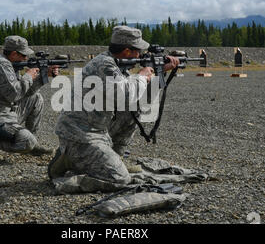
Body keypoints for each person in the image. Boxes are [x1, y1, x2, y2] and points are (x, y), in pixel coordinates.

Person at [48, 26, 180, 193]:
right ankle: (67, 166)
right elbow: (124, 95)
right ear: (126, 51)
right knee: (120, 179)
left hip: (97, 130)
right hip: (79, 135)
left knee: (135, 109)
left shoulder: (118, 67)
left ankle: (114, 157)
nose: (140, 56)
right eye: (137, 51)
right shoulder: (104, 65)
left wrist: (158, 73)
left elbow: (142, 102)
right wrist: (141, 76)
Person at [0, 35, 59, 161]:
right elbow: (14, 94)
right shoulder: (2, 65)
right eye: (23, 55)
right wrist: (28, 76)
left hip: (3, 112)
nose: (26, 58)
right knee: (27, 141)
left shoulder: (11, 65)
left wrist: (42, 77)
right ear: (13, 54)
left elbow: (24, 93)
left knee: (36, 98)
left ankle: (29, 144)